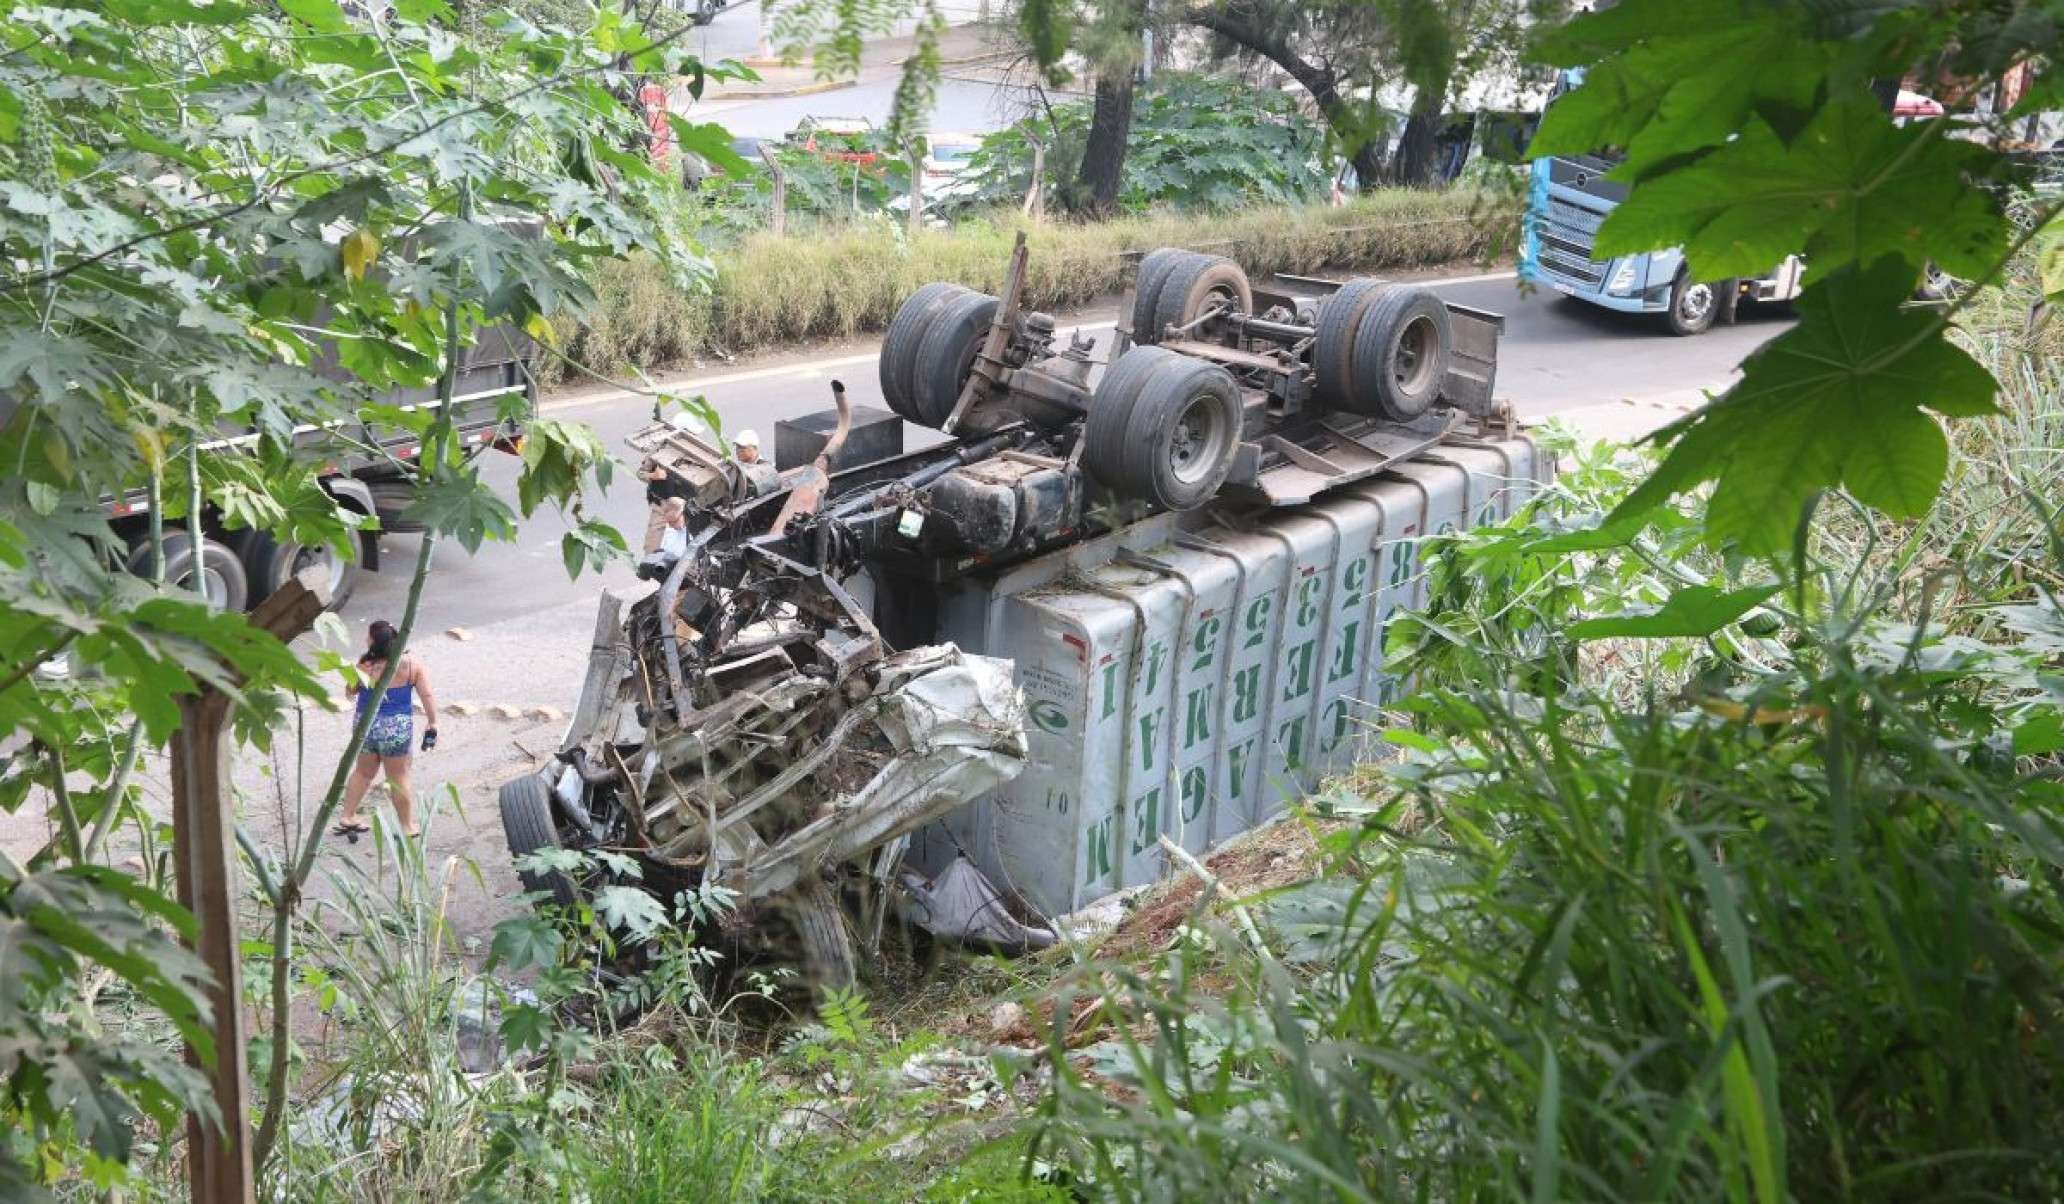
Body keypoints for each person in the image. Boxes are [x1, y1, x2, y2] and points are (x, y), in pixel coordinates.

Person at [338, 620, 438, 839]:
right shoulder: (411, 665)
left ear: (375, 641)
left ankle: (347, 815)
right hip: (395, 727)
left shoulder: (364, 665)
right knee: (398, 776)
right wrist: (432, 722)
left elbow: (350, 691)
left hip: (366, 725)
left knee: (363, 772)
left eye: (369, 637)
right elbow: (427, 695)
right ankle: (407, 826)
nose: (365, 640)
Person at [733, 428, 778, 495]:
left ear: (755, 448)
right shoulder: (737, 469)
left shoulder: (766, 468)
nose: (738, 450)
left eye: (742, 447)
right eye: (737, 447)